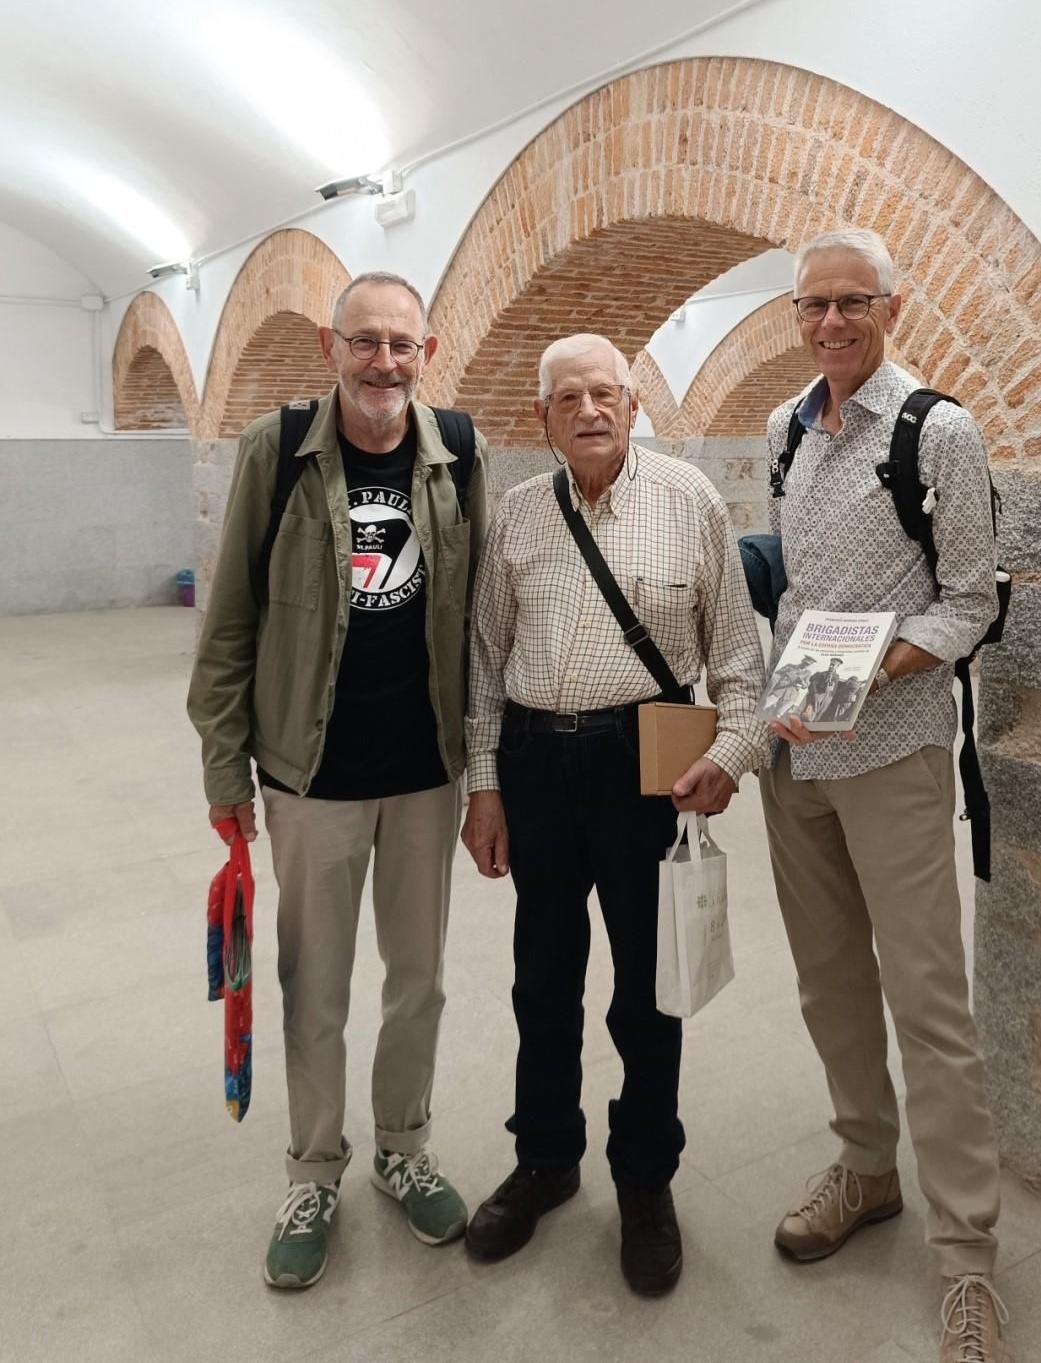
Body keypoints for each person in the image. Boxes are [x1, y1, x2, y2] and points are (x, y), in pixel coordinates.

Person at [187, 271, 489, 1290]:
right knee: (312, 987)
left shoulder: (458, 451)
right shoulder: (278, 450)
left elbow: (482, 622)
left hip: (422, 775)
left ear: (428, 350)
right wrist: (224, 761)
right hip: (307, 775)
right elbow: (228, 620)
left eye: (402, 344)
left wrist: (485, 771)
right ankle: (314, 1170)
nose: (384, 362)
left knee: (421, 983)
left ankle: (404, 1148)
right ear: (332, 347)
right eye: (366, 341)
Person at [460, 333, 766, 1296]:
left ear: (634, 407)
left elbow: (738, 655)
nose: (589, 410)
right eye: (568, 398)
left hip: (652, 757)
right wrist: (483, 783)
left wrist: (731, 752)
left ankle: (645, 1177)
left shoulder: (692, 503)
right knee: (541, 976)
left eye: (606, 393)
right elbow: (482, 657)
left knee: (650, 984)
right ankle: (546, 1158)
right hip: (536, 756)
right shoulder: (515, 515)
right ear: (543, 417)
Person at [760, 229, 1010, 1363]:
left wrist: (871, 667)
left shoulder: (937, 432)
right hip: (795, 758)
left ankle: (968, 1259)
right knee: (827, 988)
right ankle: (866, 1170)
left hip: (894, 754)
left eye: (852, 302)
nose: (831, 323)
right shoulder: (783, 430)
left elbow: (969, 603)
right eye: (813, 305)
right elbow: (795, 590)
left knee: (929, 1006)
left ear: (889, 309)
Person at [803, 656, 843, 722]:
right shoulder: (821, 674)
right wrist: (815, 694)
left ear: (837, 666)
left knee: (819, 714)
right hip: (818, 695)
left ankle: (813, 727)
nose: (831, 666)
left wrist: (831, 697)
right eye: (831, 664)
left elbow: (834, 688)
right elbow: (812, 683)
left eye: (833, 665)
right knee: (808, 714)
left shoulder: (836, 677)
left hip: (828, 698)